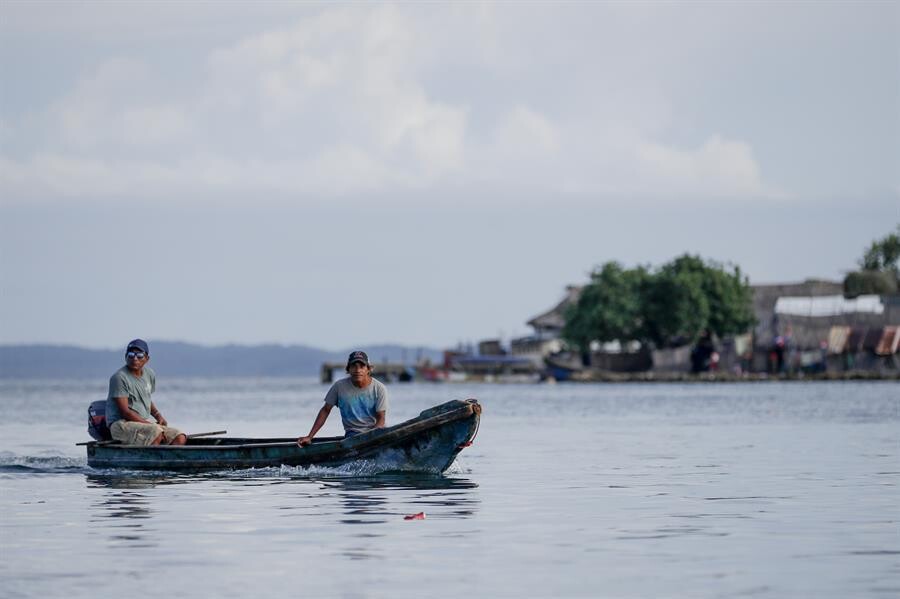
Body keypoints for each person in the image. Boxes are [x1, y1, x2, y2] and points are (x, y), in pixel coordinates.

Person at [105, 339, 187, 446]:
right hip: (121, 425)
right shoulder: (119, 378)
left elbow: (147, 399)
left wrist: (158, 416)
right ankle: (152, 461)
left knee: (179, 436)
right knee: (155, 432)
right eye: (131, 354)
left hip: (141, 423)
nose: (135, 358)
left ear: (147, 358)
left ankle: (166, 461)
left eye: (139, 355)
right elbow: (125, 412)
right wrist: (151, 425)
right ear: (126, 357)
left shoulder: (149, 374)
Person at [298, 350, 388, 446]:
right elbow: (325, 410)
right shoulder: (339, 387)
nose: (358, 370)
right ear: (348, 369)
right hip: (353, 434)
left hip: (375, 432)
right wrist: (310, 436)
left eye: (362, 366)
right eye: (354, 366)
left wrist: (372, 437)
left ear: (368, 369)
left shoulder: (379, 388)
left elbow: (381, 418)